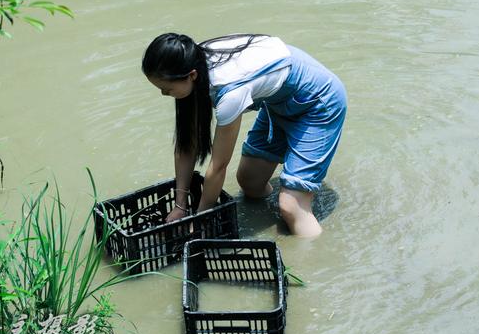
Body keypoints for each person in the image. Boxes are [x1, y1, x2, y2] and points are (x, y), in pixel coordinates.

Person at [141, 33, 347, 238]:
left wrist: (200, 220)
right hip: (278, 102)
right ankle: (278, 215)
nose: (163, 94)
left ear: (191, 75)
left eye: (166, 89)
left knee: (291, 207)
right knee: (250, 181)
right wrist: (180, 206)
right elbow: (187, 145)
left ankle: (311, 258)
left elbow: (219, 166)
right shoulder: (189, 61)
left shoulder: (230, 94)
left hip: (319, 103)